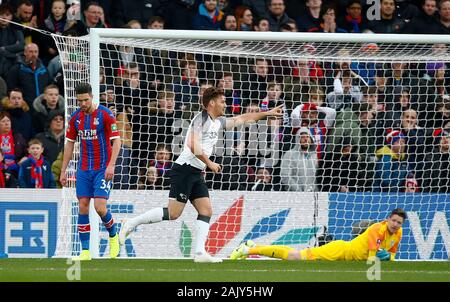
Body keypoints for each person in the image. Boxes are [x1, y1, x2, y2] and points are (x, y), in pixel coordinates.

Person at [119, 87, 283, 263]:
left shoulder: (217, 121)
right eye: (222, 101)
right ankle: (130, 223)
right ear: (211, 103)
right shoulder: (201, 118)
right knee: (173, 214)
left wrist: (267, 113)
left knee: (206, 210)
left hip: (196, 172)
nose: (225, 104)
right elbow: (191, 143)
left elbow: (241, 118)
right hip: (184, 170)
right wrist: (210, 163)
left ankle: (199, 254)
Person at [60, 83, 121, 261]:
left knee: (100, 207)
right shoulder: (75, 118)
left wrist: (111, 165)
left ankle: (113, 235)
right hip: (84, 168)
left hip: (102, 168)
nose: (83, 103)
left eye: (86, 100)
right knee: (83, 206)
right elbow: (70, 144)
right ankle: (85, 251)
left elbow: (116, 142)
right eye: (80, 101)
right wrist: (63, 170)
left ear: (92, 97)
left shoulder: (106, 114)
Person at [230, 208, 406, 261]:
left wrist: (388, 258)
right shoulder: (378, 229)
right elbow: (371, 260)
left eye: (399, 223)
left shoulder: (398, 233)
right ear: (387, 219)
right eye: (394, 221)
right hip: (339, 251)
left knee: (294, 254)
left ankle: (253, 246)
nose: (395, 225)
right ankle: (248, 249)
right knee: (295, 257)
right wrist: (383, 258)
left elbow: (391, 257)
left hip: (346, 258)